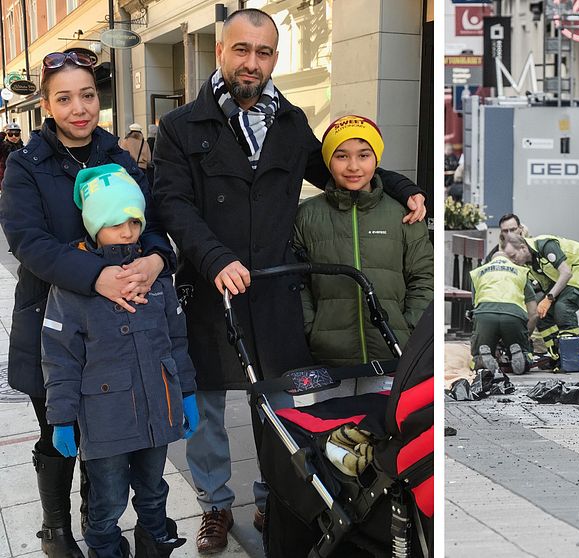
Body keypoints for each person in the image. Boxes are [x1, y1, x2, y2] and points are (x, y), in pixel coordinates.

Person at [151, 9, 426, 553]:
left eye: (264, 52)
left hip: (274, 291)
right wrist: (213, 258)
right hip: (213, 289)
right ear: (222, 51)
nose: (252, 63)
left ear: (274, 58)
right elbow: (171, 202)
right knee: (208, 407)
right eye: (242, 50)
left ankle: (273, 493)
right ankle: (215, 506)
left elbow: (341, 168)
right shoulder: (181, 126)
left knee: (276, 403)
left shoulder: (290, 121)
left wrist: (400, 185)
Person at [0, 47, 174, 557]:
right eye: (64, 98)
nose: (79, 108)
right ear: (47, 104)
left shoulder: (118, 156)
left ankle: (96, 522)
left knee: (106, 436)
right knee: (60, 426)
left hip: (121, 326)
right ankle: (56, 531)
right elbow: (27, 242)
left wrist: (156, 260)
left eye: (88, 95)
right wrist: (98, 275)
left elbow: (156, 222)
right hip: (52, 321)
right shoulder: (27, 166)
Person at [42, 165, 196, 558]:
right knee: (107, 501)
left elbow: (177, 340)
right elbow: (60, 357)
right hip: (105, 421)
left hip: (157, 411)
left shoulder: (156, 278)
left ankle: (154, 542)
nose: (127, 231)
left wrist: (187, 394)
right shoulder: (74, 285)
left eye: (133, 220)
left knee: (154, 489)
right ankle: (106, 549)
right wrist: (61, 418)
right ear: (94, 226)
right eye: (114, 223)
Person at [294, 114, 433, 392]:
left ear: (376, 158)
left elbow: (424, 276)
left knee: (384, 432)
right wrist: (312, 330)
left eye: (364, 155)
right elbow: (298, 283)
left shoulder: (403, 214)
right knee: (336, 433)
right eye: (342, 156)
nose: (354, 166)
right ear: (328, 161)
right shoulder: (307, 215)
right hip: (328, 359)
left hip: (392, 354)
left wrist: (407, 328)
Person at [502, 232, 579, 365]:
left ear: (523, 248)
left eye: (513, 256)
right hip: (563, 277)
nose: (513, 261)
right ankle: (558, 355)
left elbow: (566, 272)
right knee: (542, 313)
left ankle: (573, 359)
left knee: (564, 307)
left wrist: (549, 298)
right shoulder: (526, 265)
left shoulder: (545, 245)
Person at [470, 249, 538, 375]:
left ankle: (482, 359)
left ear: (491, 261)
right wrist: (525, 336)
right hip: (513, 316)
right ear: (510, 260)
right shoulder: (521, 272)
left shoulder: (478, 273)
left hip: (485, 314)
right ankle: (520, 354)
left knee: (478, 354)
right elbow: (534, 313)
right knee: (523, 350)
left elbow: (475, 306)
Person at [0, 121, 24, 188]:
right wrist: (3, 133)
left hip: (20, 183)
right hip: (5, 184)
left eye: (16, 134)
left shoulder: (23, 149)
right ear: (6, 136)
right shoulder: (3, 147)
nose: (13, 137)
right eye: (10, 134)